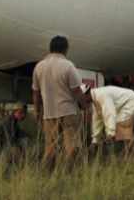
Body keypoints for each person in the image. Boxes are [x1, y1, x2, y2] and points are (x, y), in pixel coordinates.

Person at [31, 35, 91, 173]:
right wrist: (86, 107)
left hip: (49, 112)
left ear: (50, 49)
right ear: (65, 50)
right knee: (74, 144)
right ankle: (67, 170)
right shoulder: (68, 65)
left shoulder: (39, 67)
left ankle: (48, 174)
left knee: (50, 146)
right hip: (68, 110)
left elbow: (35, 92)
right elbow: (76, 90)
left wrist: (37, 111)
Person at [86, 84, 134, 158]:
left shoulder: (101, 95)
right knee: (120, 132)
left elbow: (110, 113)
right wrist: (95, 140)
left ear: (86, 96)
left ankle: (132, 156)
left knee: (123, 128)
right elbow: (97, 120)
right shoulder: (95, 100)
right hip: (124, 106)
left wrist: (110, 133)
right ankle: (128, 154)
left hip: (130, 102)